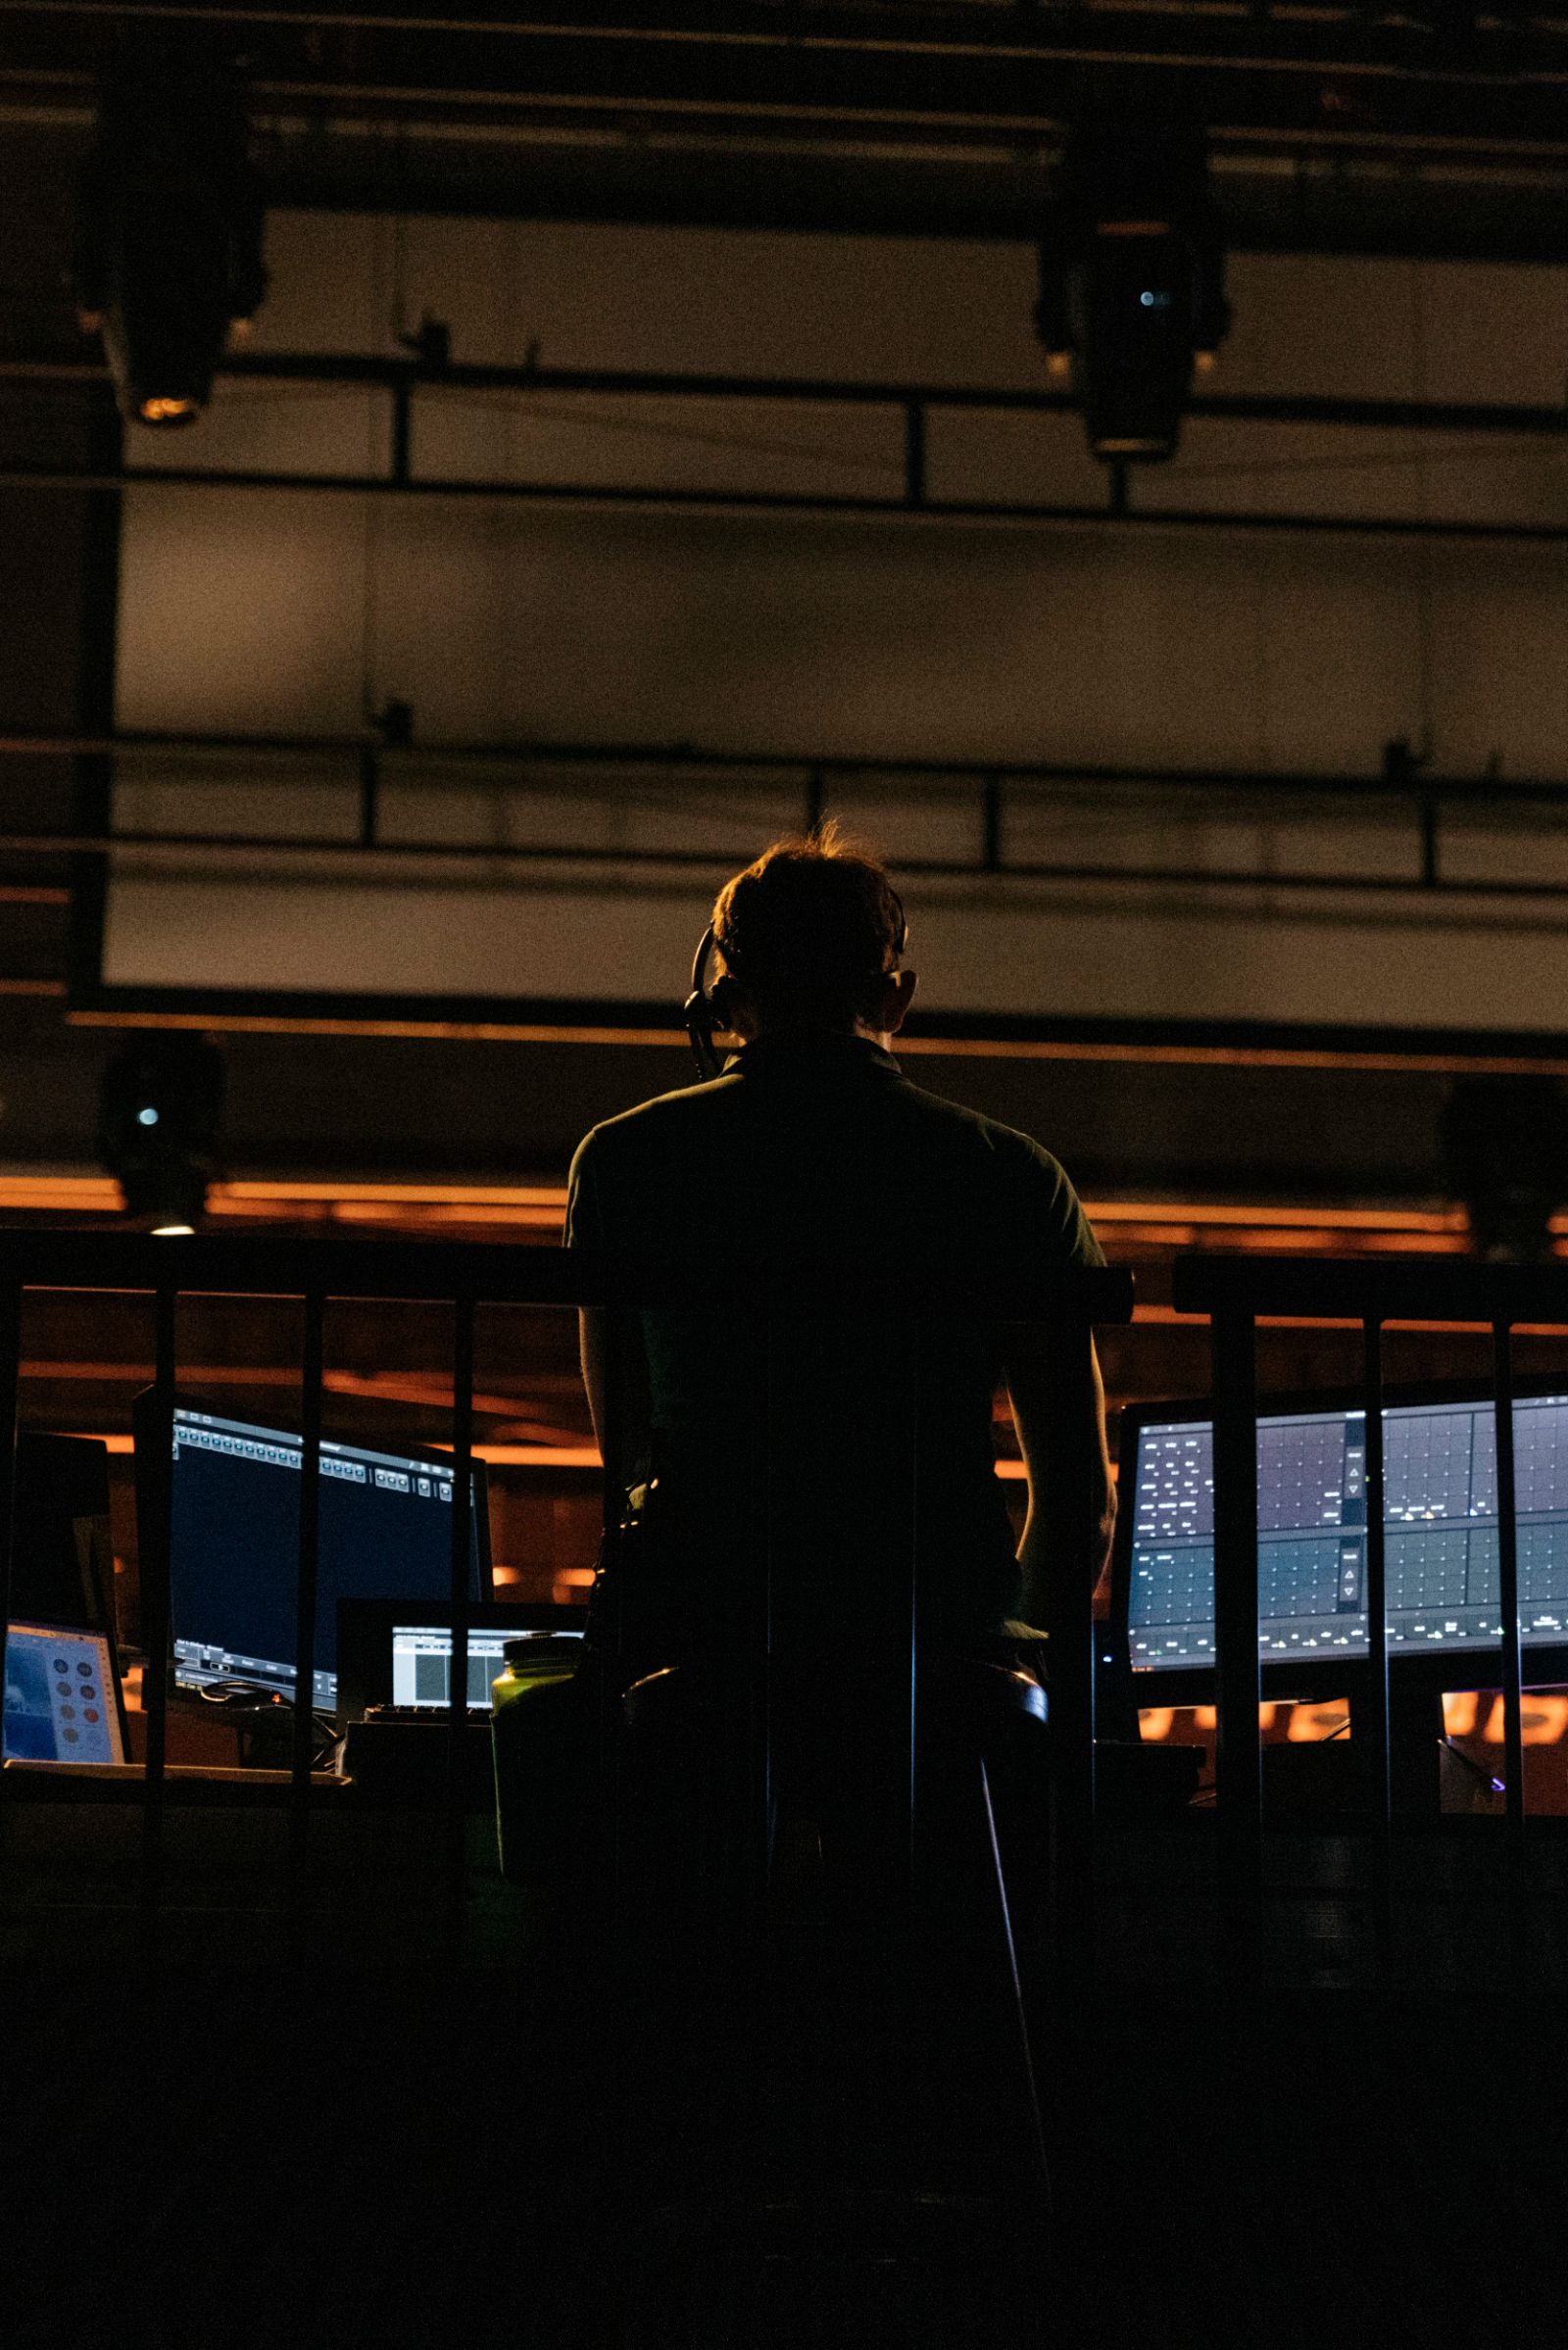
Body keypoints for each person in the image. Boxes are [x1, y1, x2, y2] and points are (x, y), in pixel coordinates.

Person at [564, 825, 1115, 1710]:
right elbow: (1080, 1505)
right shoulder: (1010, 1174)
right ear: (896, 997)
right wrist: (1017, 1669)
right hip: (937, 1648)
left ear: (725, 998)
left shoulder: (625, 1160)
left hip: (703, 1646)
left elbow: (629, 1452)